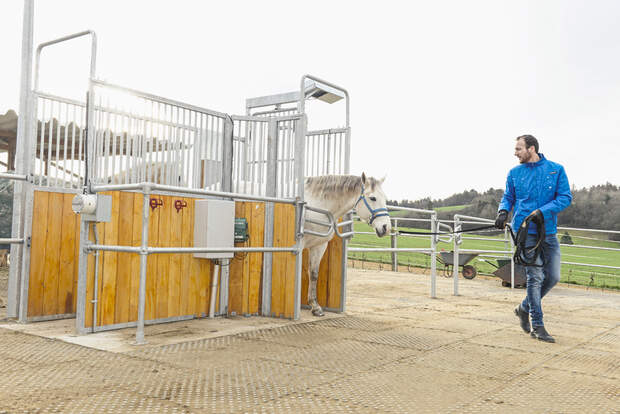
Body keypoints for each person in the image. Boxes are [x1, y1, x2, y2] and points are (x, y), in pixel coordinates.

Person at [495, 135, 572, 343]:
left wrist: (542, 211)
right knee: (535, 278)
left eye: (519, 149)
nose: (515, 152)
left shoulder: (556, 169)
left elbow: (565, 197)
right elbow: (508, 197)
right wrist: (503, 211)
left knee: (553, 277)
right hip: (524, 233)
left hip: (548, 232)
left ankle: (523, 308)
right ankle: (538, 325)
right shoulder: (514, 173)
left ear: (531, 149)